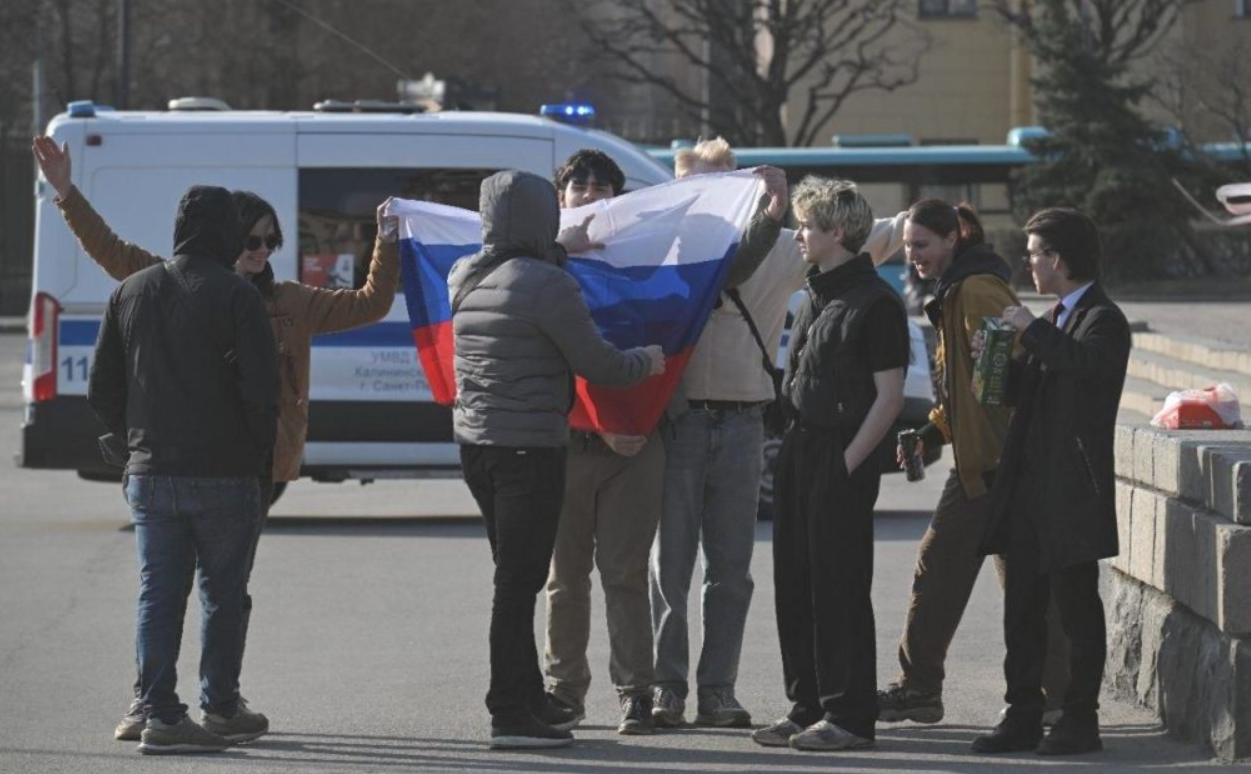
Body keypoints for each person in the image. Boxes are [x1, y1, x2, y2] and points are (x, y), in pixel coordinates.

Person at [31, 135, 401, 741]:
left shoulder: (288, 301)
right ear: (229, 238)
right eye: (249, 239)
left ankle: (197, 704)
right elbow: (111, 251)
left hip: (231, 465)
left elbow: (370, 302)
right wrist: (67, 194)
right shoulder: (166, 282)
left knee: (207, 591)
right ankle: (165, 704)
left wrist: (386, 242)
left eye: (268, 242)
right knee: (181, 590)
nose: (258, 251)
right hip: (212, 465)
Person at [651, 138, 906, 730]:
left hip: (747, 422)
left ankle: (718, 691)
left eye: (725, 183)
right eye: (698, 186)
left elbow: (862, 236)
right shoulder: (669, 247)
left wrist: (929, 227)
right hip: (684, 423)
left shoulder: (789, 253)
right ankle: (668, 689)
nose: (713, 198)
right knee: (672, 567)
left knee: (733, 570)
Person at [541, 149, 785, 736]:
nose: (593, 191)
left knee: (627, 575)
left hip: (640, 438)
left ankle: (637, 693)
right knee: (566, 578)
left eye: (605, 184)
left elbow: (722, 271)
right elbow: (494, 275)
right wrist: (556, 251)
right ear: (561, 195)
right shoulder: (544, 260)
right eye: (580, 183)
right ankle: (564, 693)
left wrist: (772, 212)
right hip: (571, 436)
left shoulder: (656, 251)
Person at [450, 169, 664, 750]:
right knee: (516, 585)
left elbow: (520, 285)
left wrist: (557, 253)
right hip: (530, 449)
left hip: (478, 445)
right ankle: (510, 714)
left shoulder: (464, 273)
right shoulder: (549, 284)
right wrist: (648, 359)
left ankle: (529, 698)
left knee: (514, 577)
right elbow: (599, 364)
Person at [88, 185, 279, 754]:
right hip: (225, 473)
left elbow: (102, 390)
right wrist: (255, 458)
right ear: (225, 233)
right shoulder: (239, 296)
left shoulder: (131, 291)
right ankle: (220, 707)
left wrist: (133, 445)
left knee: (158, 594)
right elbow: (263, 396)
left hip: (150, 472)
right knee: (223, 593)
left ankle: (160, 713)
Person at [877, 199, 1070, 726]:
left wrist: (996, 446)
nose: (913, 256)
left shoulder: (975, 291)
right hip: (992, 462)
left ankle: (919, 689)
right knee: (1027, 587)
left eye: (922, 245)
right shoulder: (957, 289)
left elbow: (1001, 380)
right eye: (909, 246)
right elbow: (967, 392)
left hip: (992, 467)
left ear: (952, 240)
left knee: (937, 569)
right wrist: (929, 430)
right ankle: (1062, 698)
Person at [750, 177, 909, 752]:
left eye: (808, 226)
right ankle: (807, 706)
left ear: (836, 232)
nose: (798, 235)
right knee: (794, 581)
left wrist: (845, 464)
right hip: (800, 447)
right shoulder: (818, 292)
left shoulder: (876, 302)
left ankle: (848, 716)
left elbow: (888, 399)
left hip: (839, 454)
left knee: (838, 586)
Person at [971, 208, 1130, 756]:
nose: (1028, 263)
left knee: (1075, 608)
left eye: (1034, 253)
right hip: (1029, 487)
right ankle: (1022, 714)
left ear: (1058, 260)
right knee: (1023, 608)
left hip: (1071, 488)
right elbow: (1037, 390)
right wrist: (995, 368)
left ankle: (1080, 719)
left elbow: (1087, 371)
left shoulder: (1102, 319)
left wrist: (1031, 330)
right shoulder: (1057, 317)